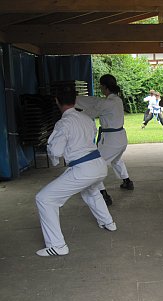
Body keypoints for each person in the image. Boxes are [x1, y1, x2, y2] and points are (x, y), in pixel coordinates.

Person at [35, 87, 117, 257]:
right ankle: (108, 222)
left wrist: (51, 151)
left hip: (83, 168)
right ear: (75, 100)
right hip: (99, 165)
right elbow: (92, 135)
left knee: (44, 199)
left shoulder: (63, 123)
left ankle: (57, 245)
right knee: (92, 191)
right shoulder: (86, 118)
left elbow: (56, 150)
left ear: (57, 100)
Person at [76, 74, 134, 207]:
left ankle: (103, 194)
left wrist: (75, 106)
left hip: (110, 140)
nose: (100, 88)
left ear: (104, 86)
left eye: (101, 86)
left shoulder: (107, 103)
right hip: (121, 138)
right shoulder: (116, 100)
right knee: (116, 159)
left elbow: (91, 112)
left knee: (96, 165)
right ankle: (127, 181)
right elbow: (96, 101)